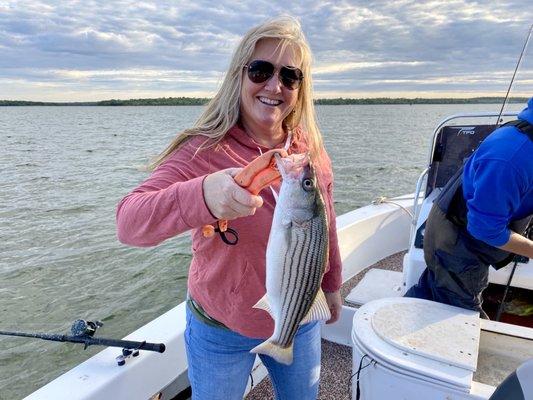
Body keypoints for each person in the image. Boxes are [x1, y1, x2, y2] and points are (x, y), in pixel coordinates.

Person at [116, 16, 342, 400]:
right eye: (261, 70)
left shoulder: (308, 150)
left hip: (298, 315)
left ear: (301, 89)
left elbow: (326, 222)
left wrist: (332, 282)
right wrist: (203, 194)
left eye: (290, 77)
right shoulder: (203, 149)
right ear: (238, 74)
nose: (275, 86)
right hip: (218, 326)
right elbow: (129, 222)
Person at [405, 97, 533, 316]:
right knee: (459, 317)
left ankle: (402, 317)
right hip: (457, 240)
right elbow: (485, 229)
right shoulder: (510, 158)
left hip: (459, 221)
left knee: (433, 289)